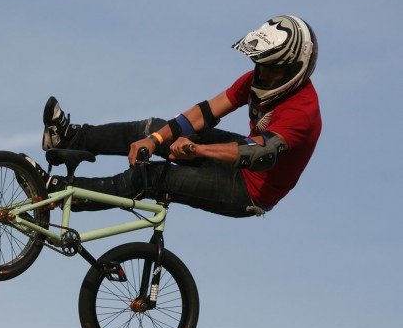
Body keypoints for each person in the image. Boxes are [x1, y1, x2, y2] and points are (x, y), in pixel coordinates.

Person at [30, 15, 321, 217]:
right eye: (261, 65)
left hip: (249, 190)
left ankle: (59, 193)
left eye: (273, 68)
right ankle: (68, 137)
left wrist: (195, 149)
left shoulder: (302, 111)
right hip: (237, 157)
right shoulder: (257, 78)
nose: (264, 74)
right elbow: (203, 113)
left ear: (296, 68)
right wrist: (155, 139)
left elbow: (257, 154)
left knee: (151, 177)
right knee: (149, 129)